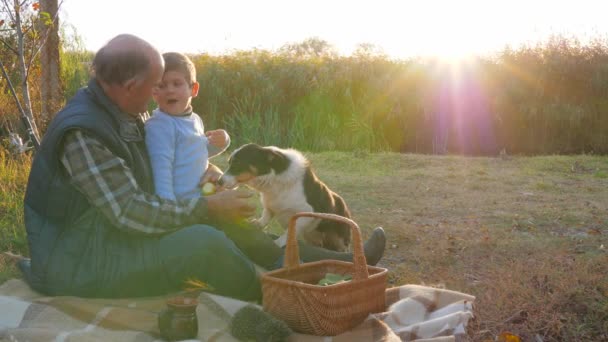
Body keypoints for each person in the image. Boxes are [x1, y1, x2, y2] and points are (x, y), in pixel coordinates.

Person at [21, 34, 386, 301]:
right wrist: (204, 207)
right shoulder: (83, 134)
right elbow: (130, 212)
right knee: (204, 241)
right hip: (81, 262)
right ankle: (274, 298)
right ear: (131, 84)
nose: (156, 94)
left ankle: (346, 263)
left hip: (110, 238)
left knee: (230, 224)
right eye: (153, 85)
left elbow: (159, 165)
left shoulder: (123, 111)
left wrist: (204, 172)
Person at [145, 52, 229, 201]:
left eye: (177, 84)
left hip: (201, 196)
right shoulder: (159, 126)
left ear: (194, 89)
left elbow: (195, 153)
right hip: (181, 204)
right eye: (162, 85)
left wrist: (222, 142)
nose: (170, 90)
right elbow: (161, 171)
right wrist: (169, 208)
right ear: (154, 93)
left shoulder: (194, 119)